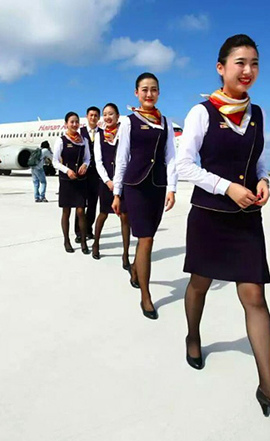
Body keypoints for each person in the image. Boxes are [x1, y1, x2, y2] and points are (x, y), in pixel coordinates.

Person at [176, 34, 270, 418]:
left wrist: (263, 181)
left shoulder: (257, 114)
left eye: (255, 63)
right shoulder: (202, 113)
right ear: (221, 67)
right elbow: (184, 167)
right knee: (200, 284)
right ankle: (193, 336)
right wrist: (226, 187)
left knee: (255, 297)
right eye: (240, 62)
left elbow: (258, 159)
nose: (248, 71)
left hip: (247, 220)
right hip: (209, 216)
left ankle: (269, 388)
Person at [112, 73, 177, 320]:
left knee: (145, 238)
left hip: (157, 186)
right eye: (144, 90)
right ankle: (146, 296)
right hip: (135, 187)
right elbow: (122, 157)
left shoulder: (166, 123)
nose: (149, 94)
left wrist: (172, 187)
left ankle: (136, 273)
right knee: (147, 239)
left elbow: (171, 156)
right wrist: (117, 192)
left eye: (154, 90)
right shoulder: (128, 122)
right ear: (136, 93)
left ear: (159, 93)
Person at [91, 103, 131, 269]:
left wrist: (119, 180)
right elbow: (98, 161)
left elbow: (128, 156)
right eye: (105, 114)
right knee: (103, 214)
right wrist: (108, 180)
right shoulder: (99, 136)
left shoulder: (124, 133)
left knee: (124, 217)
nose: (108, 117)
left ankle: (126, 254)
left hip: (123, 181)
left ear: (117, 115)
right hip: (106, 182)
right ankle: (96, 242)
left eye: (111, 114)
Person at [52, 111, 91, 254]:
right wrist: (67, 170)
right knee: (66, 211)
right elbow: (55, 161)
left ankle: (83, 241)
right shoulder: (61, 140)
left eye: (76, 122)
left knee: (81, 211)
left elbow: (88, 158)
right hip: (66, 180)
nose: (74, 124)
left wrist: (85, 165)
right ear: (66, 124)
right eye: (72, 122)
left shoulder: (83, 141)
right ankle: (66, 240)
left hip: (80, 179)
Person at [75, 106, 101, 243]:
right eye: (91, 115)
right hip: (82, 173)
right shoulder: (80, 132)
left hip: (96, 174)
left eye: (96, 115)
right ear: (87, 116)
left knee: (92, 204)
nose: (93, 117)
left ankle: (88, 229)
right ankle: (79, 232)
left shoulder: (102, 133)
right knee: (80, 204)